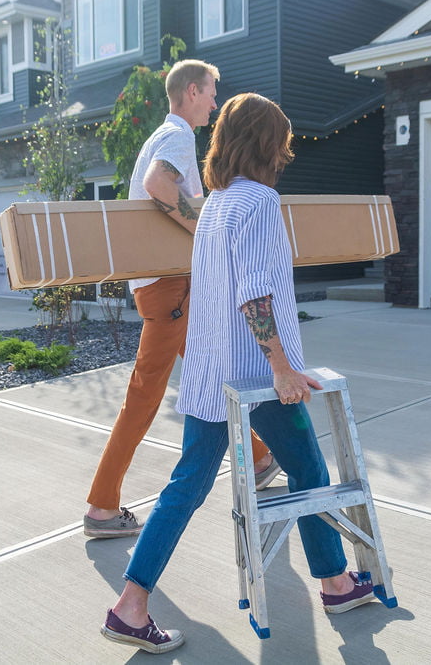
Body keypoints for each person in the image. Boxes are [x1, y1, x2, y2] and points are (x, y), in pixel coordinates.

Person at [101, 93, 377, 654]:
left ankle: (130, 606)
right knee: (308, 470)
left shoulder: (217, 205)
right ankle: (336, 583)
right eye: (283, 142)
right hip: (255, 377)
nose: (286, 153)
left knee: (186, 487)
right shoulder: (259, 204)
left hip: (211, 377)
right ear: (268, 144)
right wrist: (281, 367)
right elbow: (254, 295)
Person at [84, 61, 280, 540]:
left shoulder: (164, 136)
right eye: (212, 92)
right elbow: (157, 185)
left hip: (166, 284)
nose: (215, 102)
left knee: (215, 370)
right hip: (168, 286)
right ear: (191, 92)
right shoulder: (176, 137)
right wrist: (206, 228)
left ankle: (257, 458)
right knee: (145, 394)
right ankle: (102, 505)